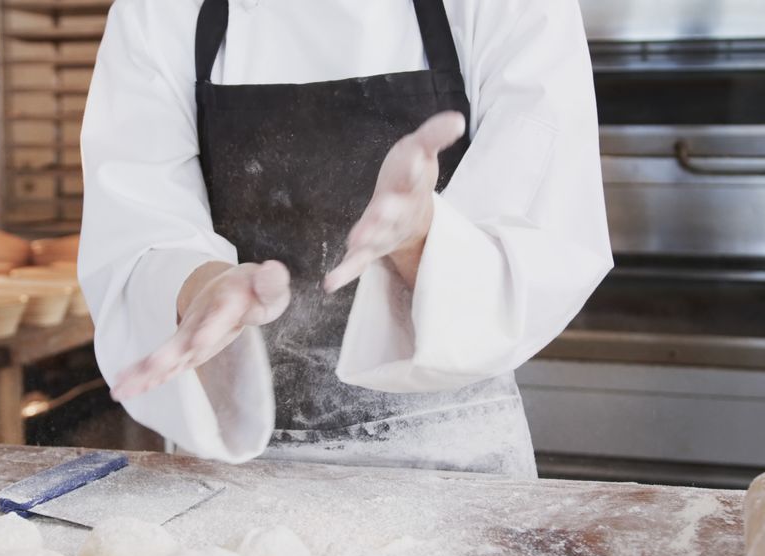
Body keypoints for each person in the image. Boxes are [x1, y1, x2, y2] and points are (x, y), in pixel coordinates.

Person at [78, 0, 612, 479]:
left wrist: (419, 239)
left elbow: (543, 234)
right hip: (233, 466)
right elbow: (138, 221)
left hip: (455, 463)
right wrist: (198, 288)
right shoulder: (160, 11)